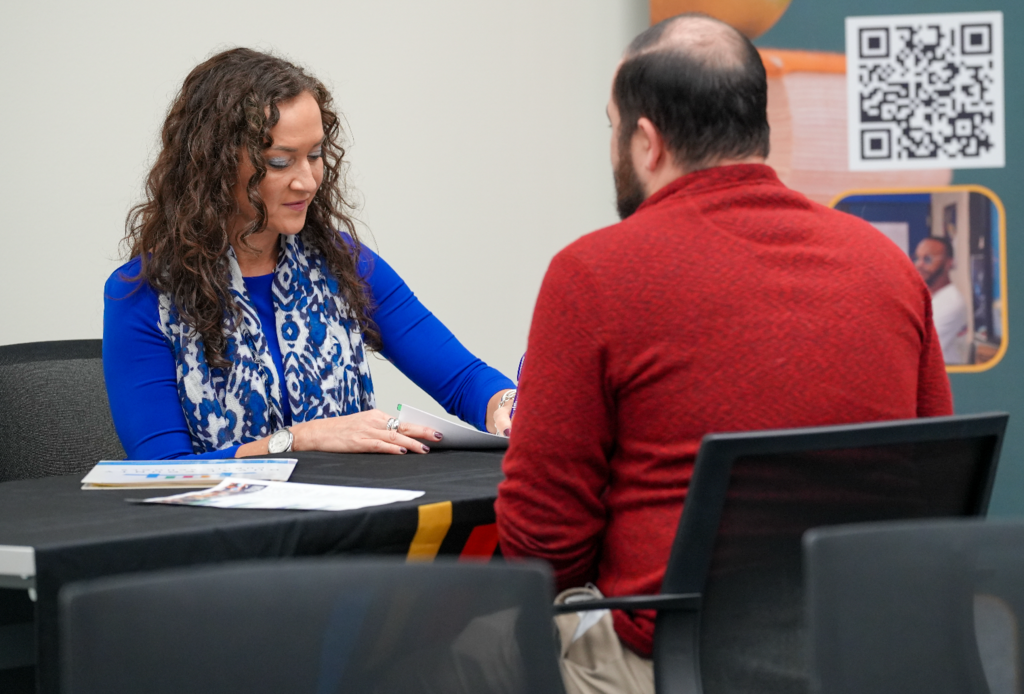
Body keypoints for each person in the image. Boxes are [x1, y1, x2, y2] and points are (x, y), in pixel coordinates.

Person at [495, 14, 953, 694]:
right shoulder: (886, 266)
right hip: (863, 655)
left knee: (450, 651)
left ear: (645, 141)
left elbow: (543, 547)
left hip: (674, 661)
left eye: (613, 127)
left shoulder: (592, 274)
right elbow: (933, 495)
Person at [104, 48, 516, 460]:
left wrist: (504, 407)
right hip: (226, 524)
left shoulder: (344, 262)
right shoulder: (143, 294)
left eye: (315, 155)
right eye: (280, 162)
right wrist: (299, 440)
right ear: (216, 165)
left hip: (351, 518)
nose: (307, 181)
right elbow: (160, 470)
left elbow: (464, 381)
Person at [914, 236, 969, 364]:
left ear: (948, 263)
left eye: (927, 259)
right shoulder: (927, 297)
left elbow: (918, 349)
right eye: (917, 258)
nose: (919, 264)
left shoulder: (951, 303)